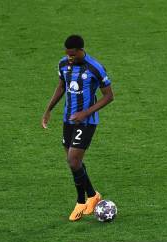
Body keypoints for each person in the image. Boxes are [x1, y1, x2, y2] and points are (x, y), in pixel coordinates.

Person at [42, 34, 114, 221]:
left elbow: (108, 96)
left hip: (86, 122)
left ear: (81, 50)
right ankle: (90, 196)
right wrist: (48, 109)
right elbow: (61, 87)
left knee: (73, 161)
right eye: (67, 54)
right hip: (68, 120)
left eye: (73, 54)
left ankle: (81, 200)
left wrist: (85, 113)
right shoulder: (63, 64)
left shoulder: (95, 67)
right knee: (73, 162)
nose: (70, 58)